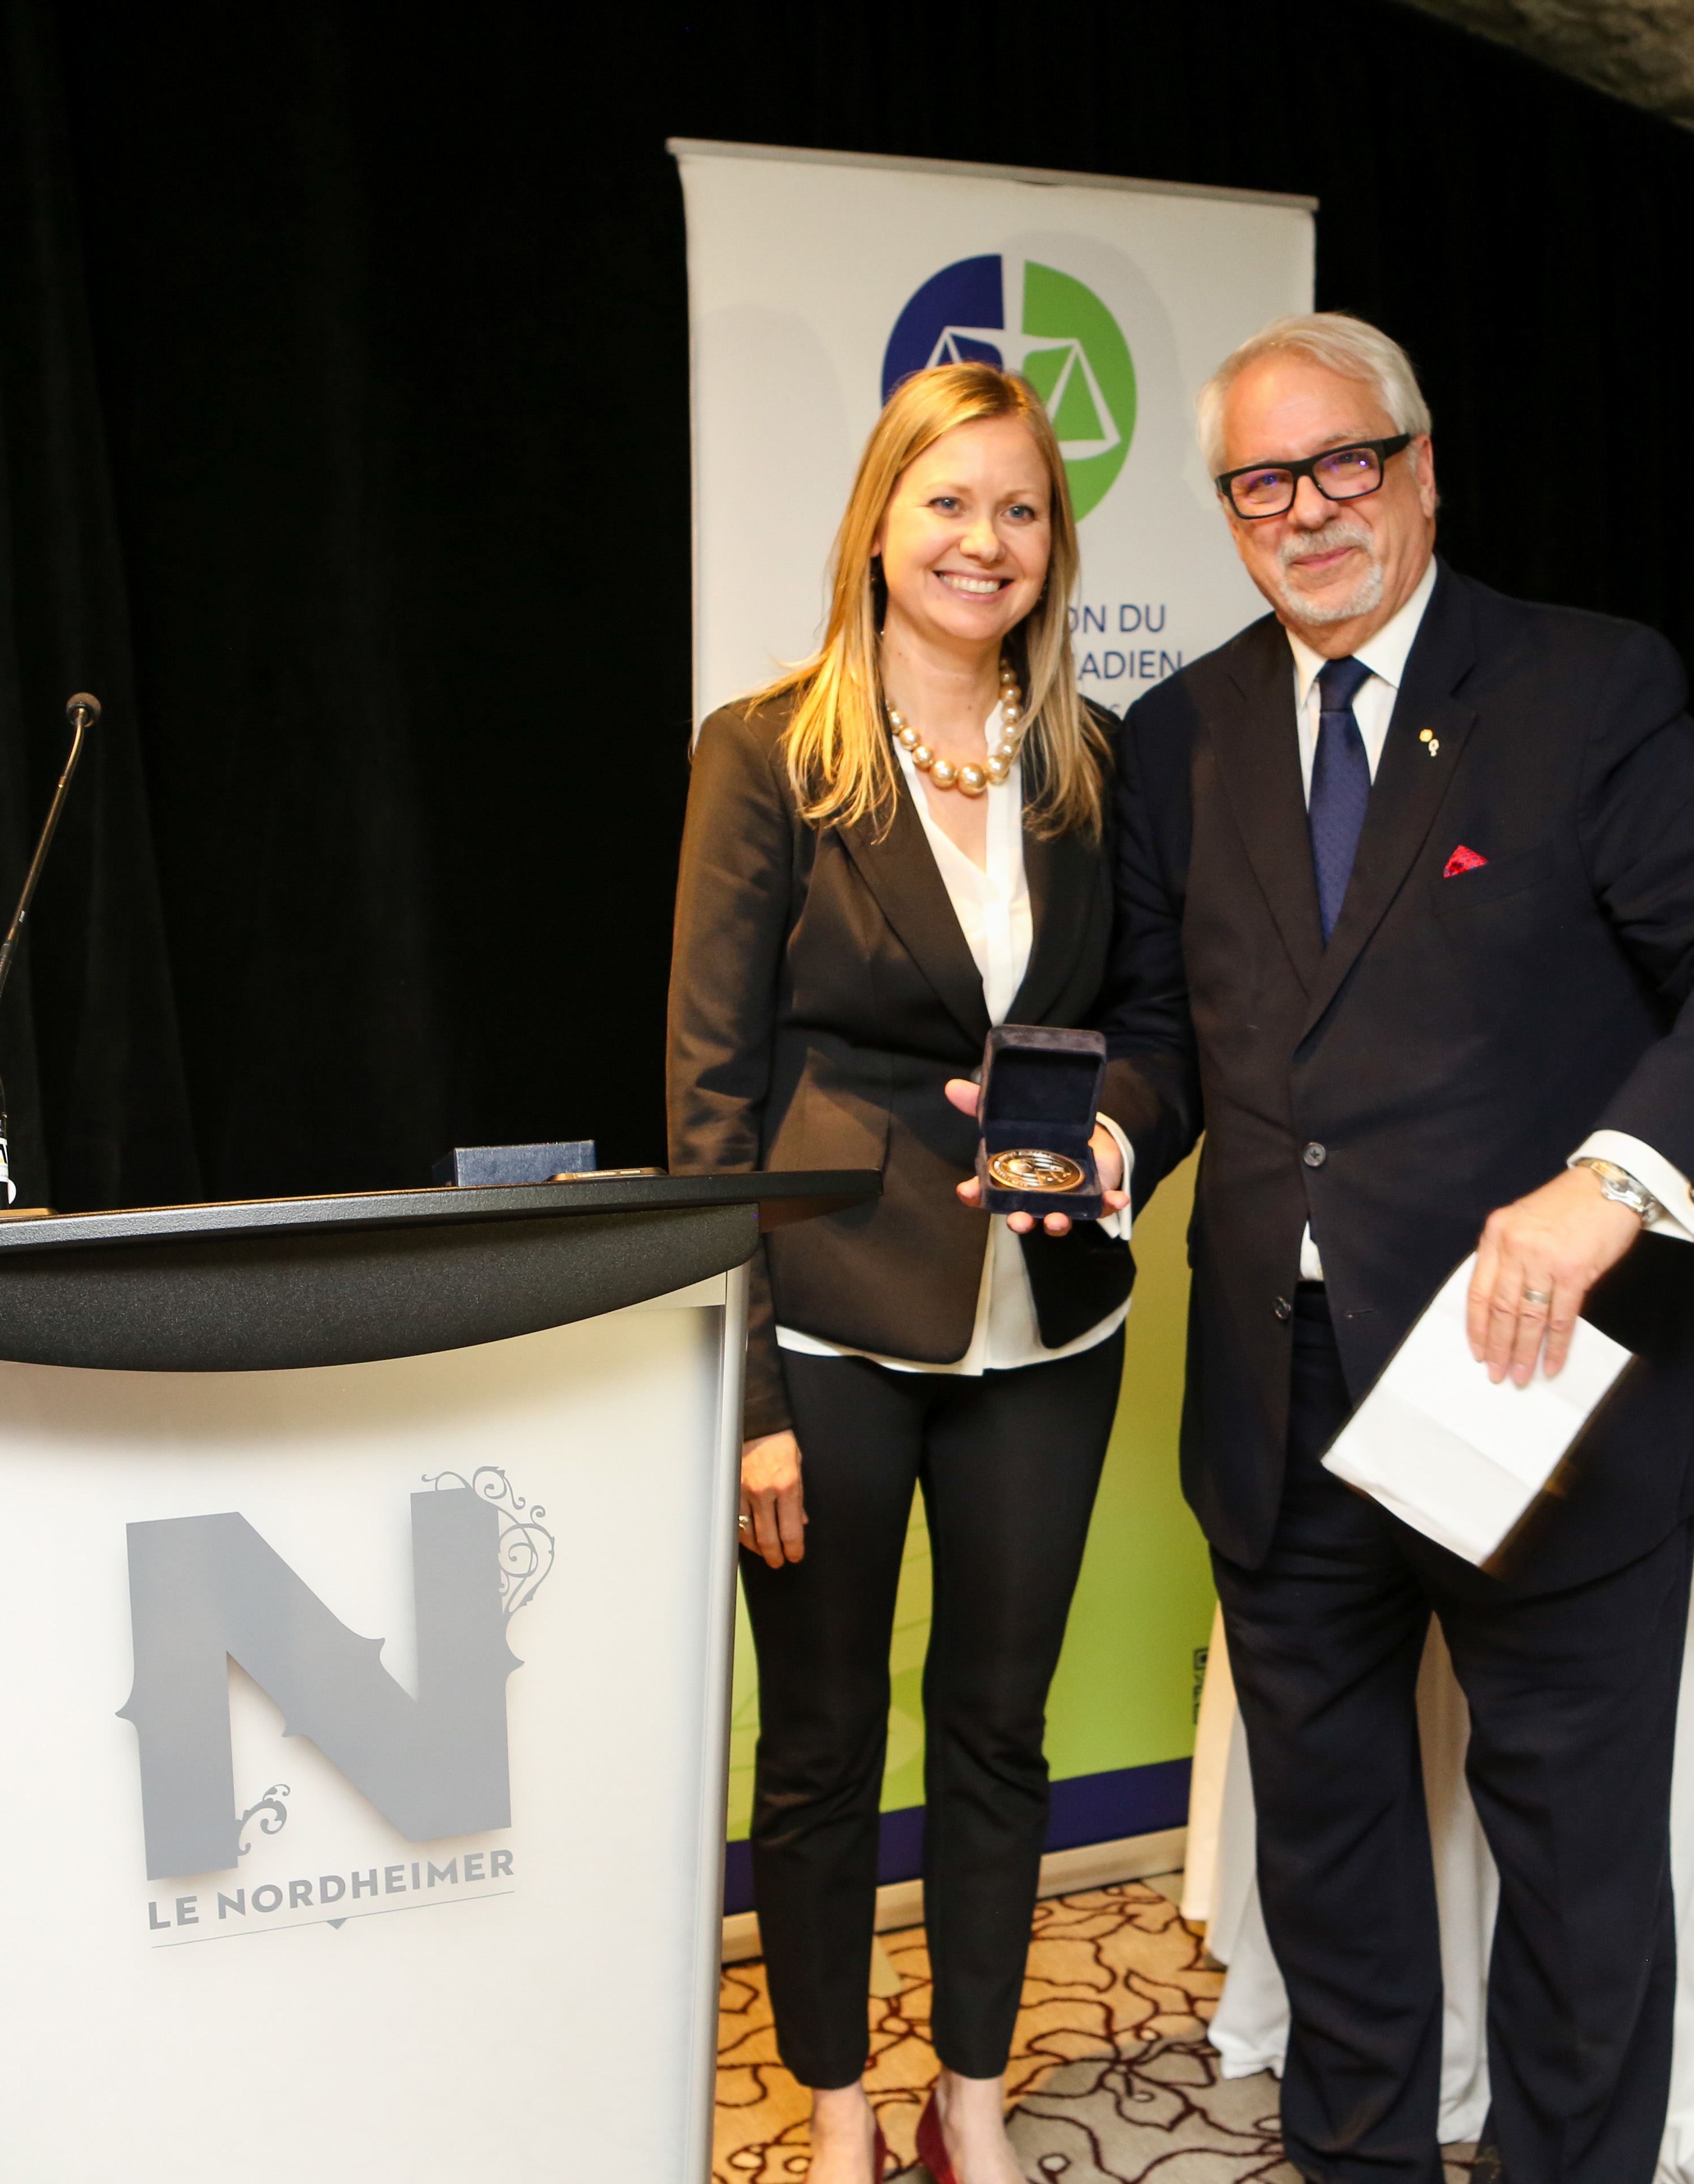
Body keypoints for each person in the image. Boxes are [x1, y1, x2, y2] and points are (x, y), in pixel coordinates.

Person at [1090, 314, 1694, 2184]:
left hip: (1542, 1387)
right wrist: (1112, 1130)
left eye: (1345, 461)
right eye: (1263, 482)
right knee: (1335, 1861)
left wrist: (1618, 1182)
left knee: (1578, 1874)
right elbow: (1160, 1026)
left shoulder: (1582, 690)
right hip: (1284, 1406)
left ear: (1423, 468)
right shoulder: (1183, 732)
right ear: (1228, 512)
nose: (1309, 510)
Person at [668, 361, 1135, 2184]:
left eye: (1019, 509)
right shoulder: (768, 751)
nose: (984, 541)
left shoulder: (1095, 768)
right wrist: (753, 1402)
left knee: (999, 1733)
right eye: (949, 502)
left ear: (1054, 545)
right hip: (835, 1327)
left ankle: (968, 2098)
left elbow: (1153, 1023)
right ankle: (840, 2110)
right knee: (820, 1747)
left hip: (1053, 1316)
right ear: (879, 518)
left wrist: (1118, 1137)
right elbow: (708, 1094)